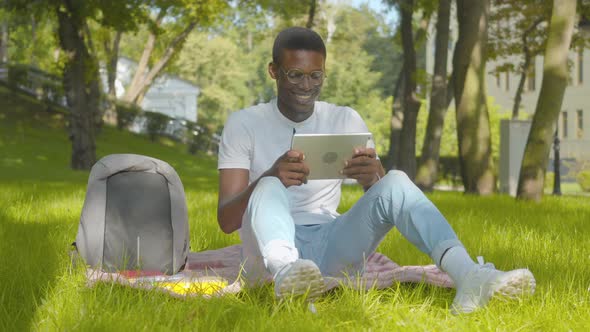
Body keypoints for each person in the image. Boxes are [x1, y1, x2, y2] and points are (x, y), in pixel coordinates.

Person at [216, 27, 535, 314]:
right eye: (295, 75)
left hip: (331, 243)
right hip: (268, 254)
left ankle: (469, 275)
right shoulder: (244, 124)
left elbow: (387, 202)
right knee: (268, 187)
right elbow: (227, 220)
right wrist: (270, 175)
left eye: (316, 75)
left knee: (395, 180)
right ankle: (288, 275)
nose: (307, 86)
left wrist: (373, 178)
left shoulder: (345, 119)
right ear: (274, 71)